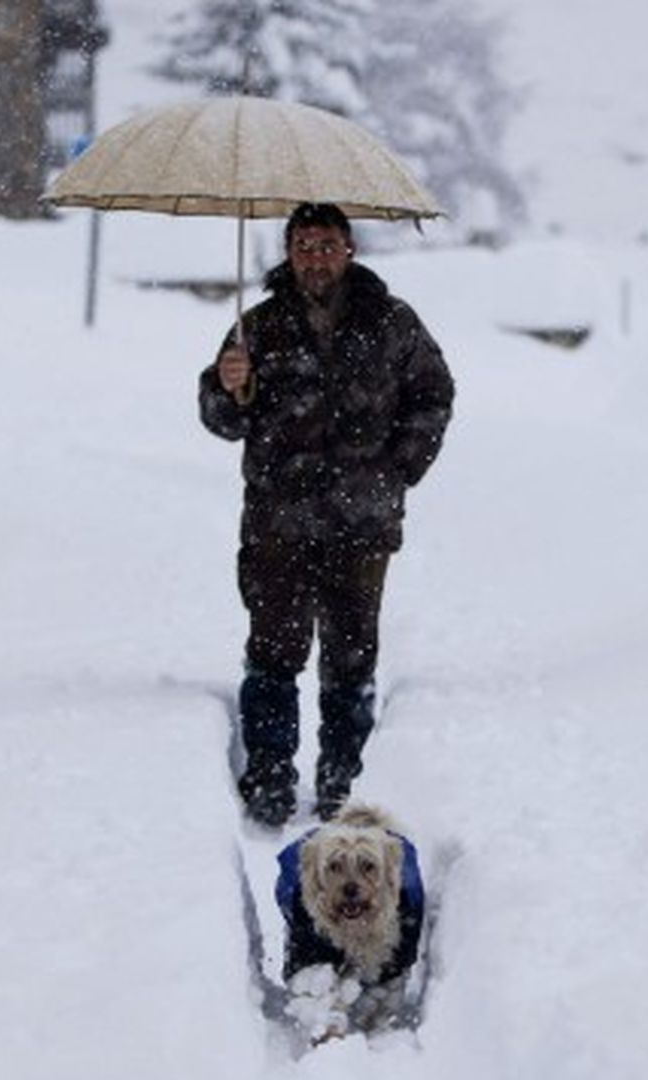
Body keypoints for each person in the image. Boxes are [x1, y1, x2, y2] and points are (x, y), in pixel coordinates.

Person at [199, 202, 454, 827]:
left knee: (350, 653)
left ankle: (344, 778)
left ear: (350, 250)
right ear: (288, 253)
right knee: (274, 652)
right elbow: (220, 420)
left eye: (327, 244)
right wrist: (227, 386)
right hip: (276, 521)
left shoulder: (391, 322)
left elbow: (434, 393)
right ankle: (269, 776)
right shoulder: (256, 328)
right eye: (304, 245)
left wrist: (398, 469)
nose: (315, 256)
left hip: (362, 523)